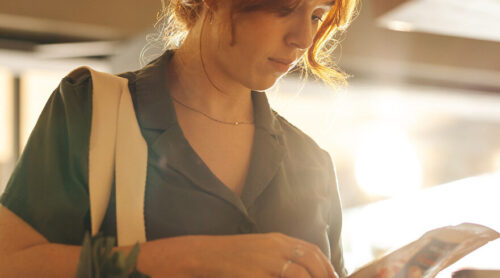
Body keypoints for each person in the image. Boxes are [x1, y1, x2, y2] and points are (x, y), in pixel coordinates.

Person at [0, 0, 358, 277]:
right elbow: (11, 265)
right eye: (285, 8)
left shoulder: (313, 163)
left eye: (316, 14)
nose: (304, 38)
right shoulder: (92, 108)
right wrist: (194, 258)